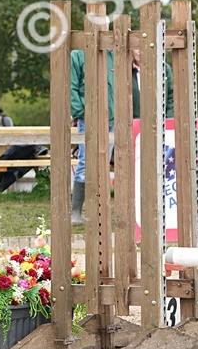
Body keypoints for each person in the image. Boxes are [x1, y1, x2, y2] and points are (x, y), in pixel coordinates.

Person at [70, 46, 174, 223]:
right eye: (135, 48)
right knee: (87, 163)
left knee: (133, 167)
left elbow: (170, 96)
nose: (139, 51)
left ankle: (137, 210)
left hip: (125, 120)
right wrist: (80, 111)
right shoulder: (81, 55)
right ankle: (76, 212)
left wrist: (169, 120)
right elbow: (74, 86)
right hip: (102, 118)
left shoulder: (159, 68)